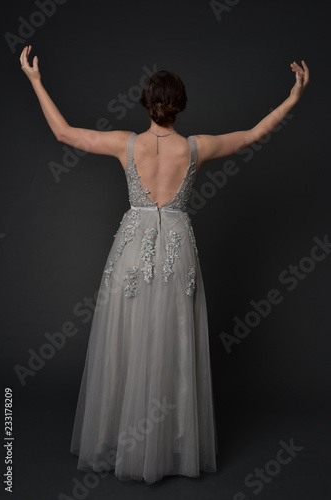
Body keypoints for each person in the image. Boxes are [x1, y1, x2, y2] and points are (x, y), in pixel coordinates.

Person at [20, 45, 309, 485]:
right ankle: (167, 447)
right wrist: (292, 97)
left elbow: (64, 134)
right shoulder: (195, 148)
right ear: (181, 105)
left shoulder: (125, 144)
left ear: (146, 103)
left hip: (133, 247)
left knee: (127, 338)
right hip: (177, 247)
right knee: (171, 341)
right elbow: (252, 135)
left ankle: (125, 442)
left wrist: (36, 82)